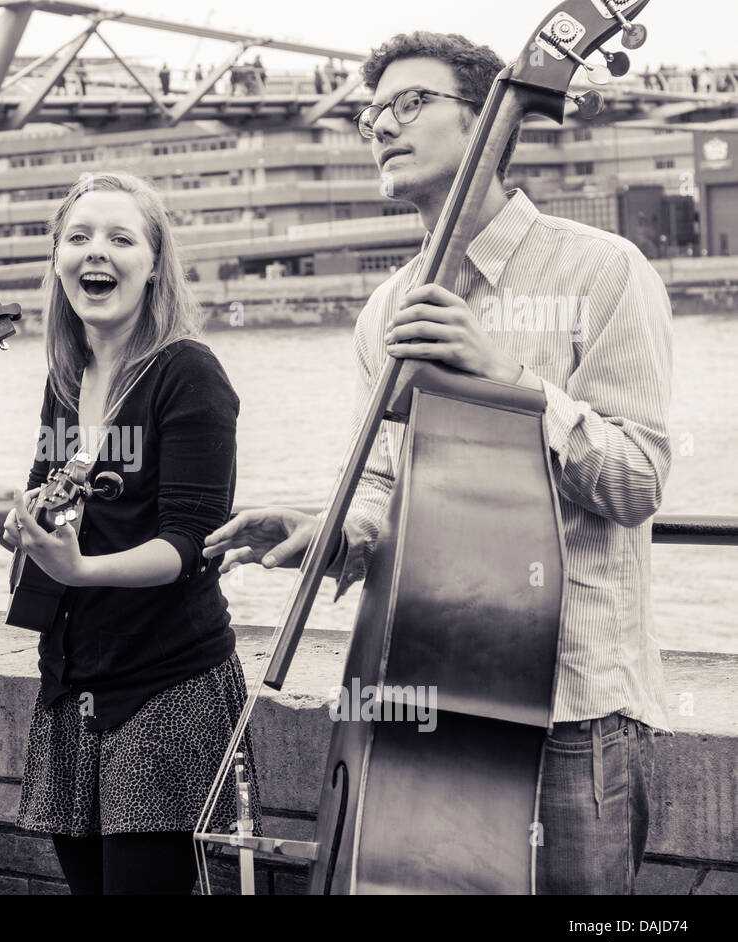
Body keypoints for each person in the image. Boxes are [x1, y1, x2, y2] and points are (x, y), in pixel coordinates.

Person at [206, 31, 671, 896]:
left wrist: (512, 379)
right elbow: (386, 482)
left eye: (410, 103)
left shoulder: (604, 270)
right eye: (370, 113)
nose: (382, 124)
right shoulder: (386, 306)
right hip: (430, 698)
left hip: (574, 706)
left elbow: (638, 481)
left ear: (491, 120)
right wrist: (333, 529)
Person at [0, 171, 260, 895]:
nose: (97, 252)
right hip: (73, 682)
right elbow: (59, 528)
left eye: (122, 238)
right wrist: (10, 522)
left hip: (167, 687)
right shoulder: (67, 375)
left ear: (155, 263)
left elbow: (191, 546)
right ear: (58, 258)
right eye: (79, 236)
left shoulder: (188, 373)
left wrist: (79, 571)